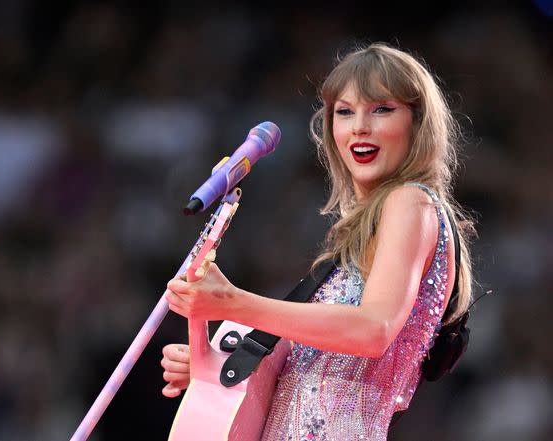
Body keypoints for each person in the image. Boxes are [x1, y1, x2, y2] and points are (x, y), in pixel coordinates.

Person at [161, 42, 475, 440]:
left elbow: (373, 329)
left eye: (381, 109)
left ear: (417, 122)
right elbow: (309, 374)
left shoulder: (409, 202)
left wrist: (235, 302)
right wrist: (220, 368)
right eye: (344, 112)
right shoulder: (372, 224)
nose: (360, 125)